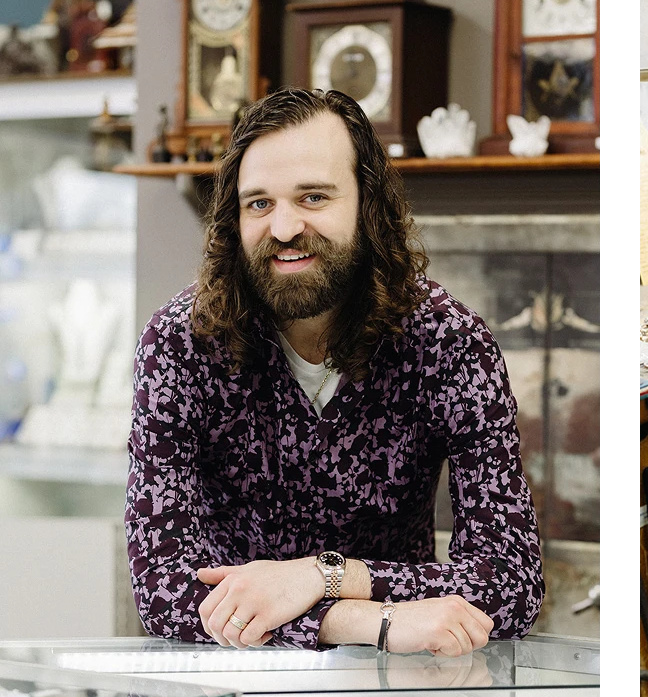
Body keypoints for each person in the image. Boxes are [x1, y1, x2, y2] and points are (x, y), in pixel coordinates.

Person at [125, 88, 544, 655]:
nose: (284, 228)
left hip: (401, 696)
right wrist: (358, 622)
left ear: (367, 205)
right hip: (233, 685)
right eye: (259, 204)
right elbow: (161, 588)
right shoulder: (181, 345)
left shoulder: (450, 344)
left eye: (313, 196)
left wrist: (320, 576)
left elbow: (513, 583)